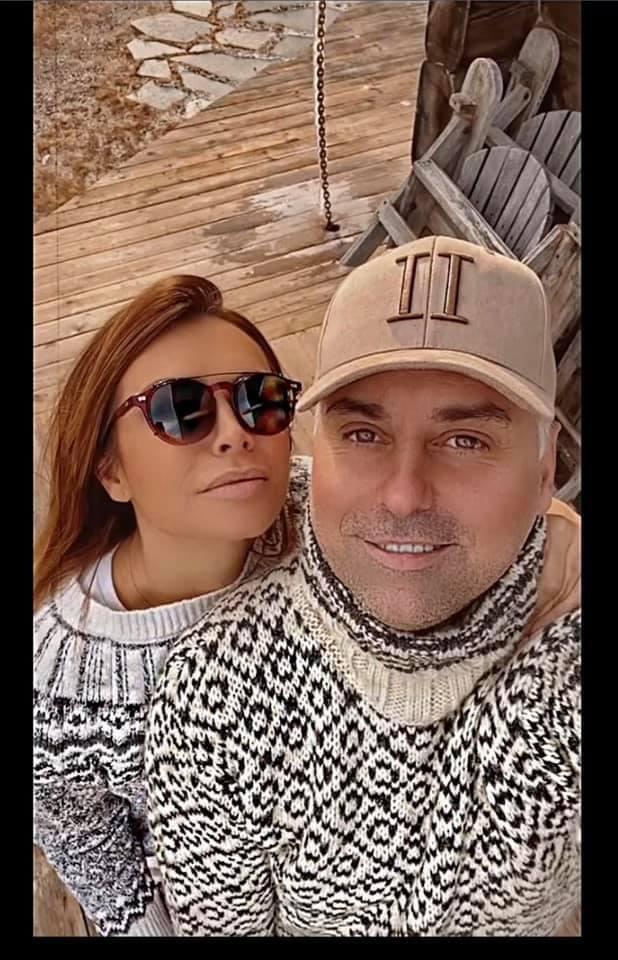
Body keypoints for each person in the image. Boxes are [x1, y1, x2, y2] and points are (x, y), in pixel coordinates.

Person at [146, 237, 581, 937]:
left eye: (465, 440)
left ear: (543, 475)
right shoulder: (219, 691)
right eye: (363, 434)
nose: (404, 495)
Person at [33, 275, 305, 936]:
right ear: (111, 471)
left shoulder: (331, 517)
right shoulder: (56, 683)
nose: (236, 434)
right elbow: (92, 851)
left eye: (261, 400)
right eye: (181, 410)